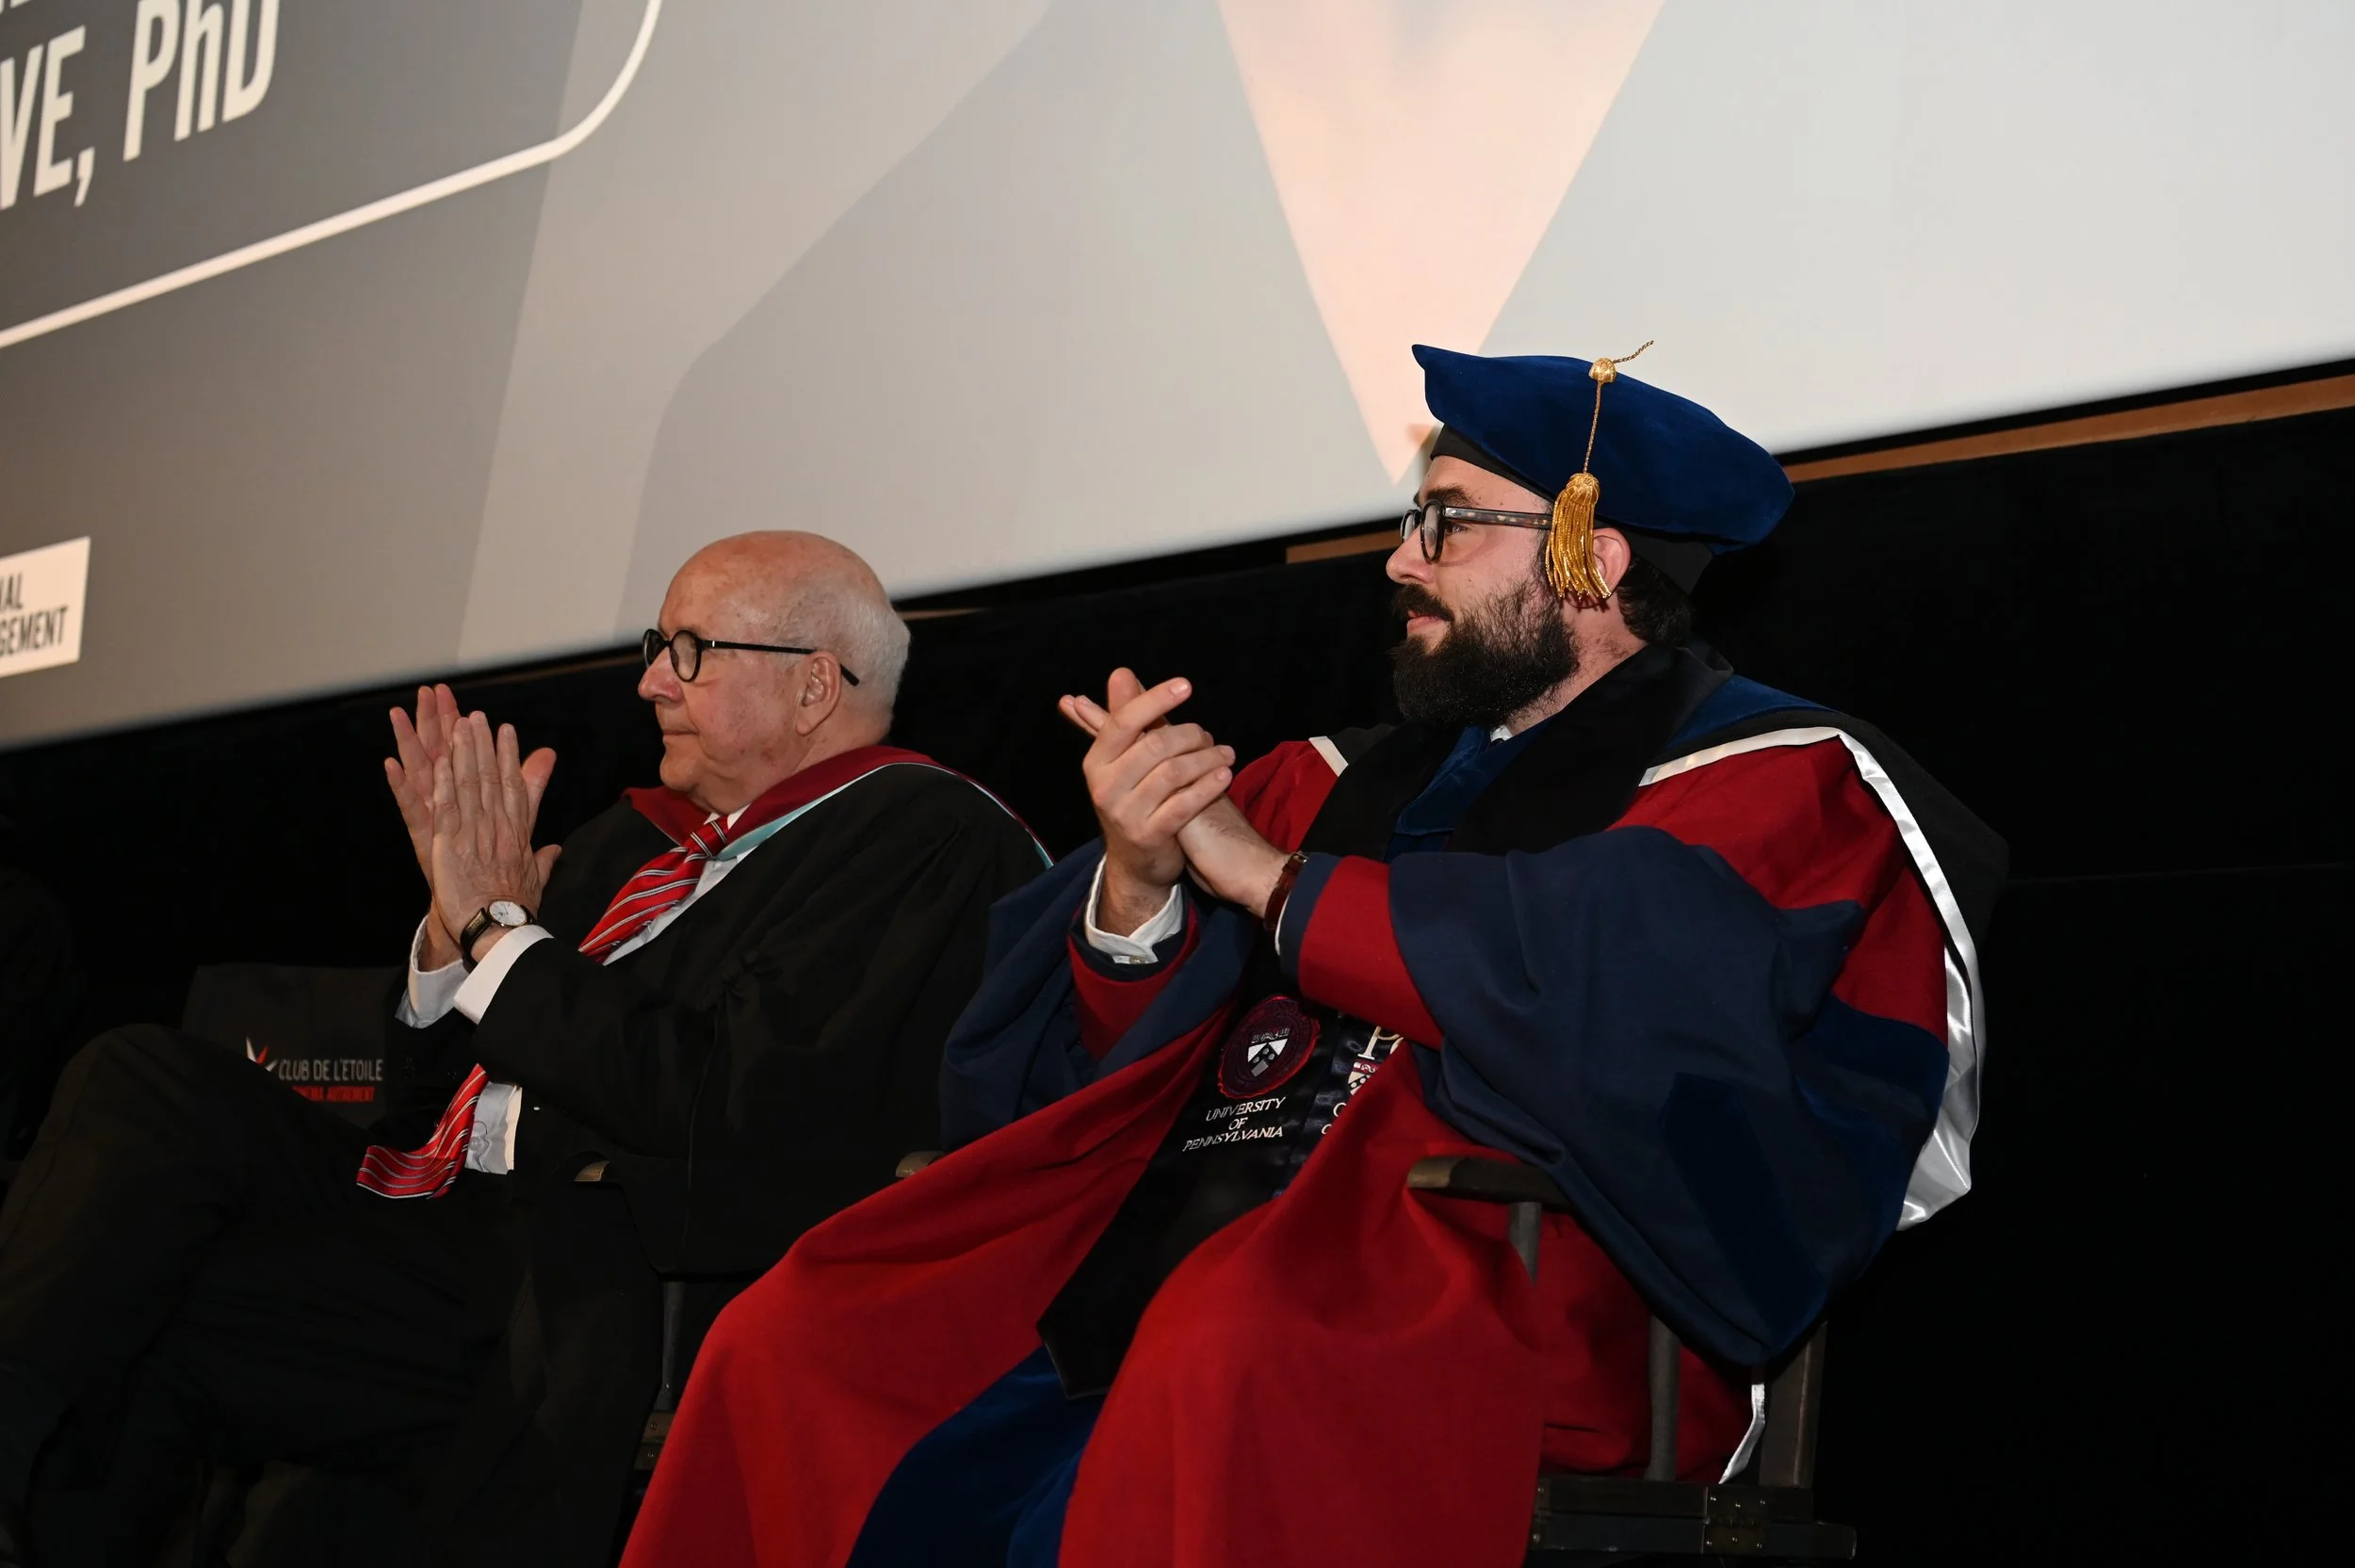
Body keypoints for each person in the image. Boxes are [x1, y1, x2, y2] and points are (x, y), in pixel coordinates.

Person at [622, 348, 2007, 1568]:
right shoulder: (1327, 778)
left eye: (1447, 524)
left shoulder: (1780, 781)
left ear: (1595, 554)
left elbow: (1629, 998)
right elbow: (1085, 1059)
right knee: (798, 1334)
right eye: (1414, 520)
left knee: (1230, 1339)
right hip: (1173, 1261)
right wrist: (1141, 882)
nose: (1401, 559)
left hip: (1517, 1278)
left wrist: (1276, 884)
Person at [0, 532, 1046, 1567]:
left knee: (162, 1315)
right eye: (654, 644)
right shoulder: (628, 845)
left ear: (816, 684)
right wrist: (447, 941)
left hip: (589, 1283)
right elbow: (423, 1103)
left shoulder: (925, 839)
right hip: (438, 1237)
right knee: (141, 1117)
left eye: (689, 650)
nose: (649, 684)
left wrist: (500, 929)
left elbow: (725, 1101)